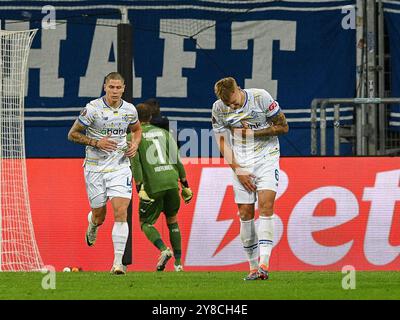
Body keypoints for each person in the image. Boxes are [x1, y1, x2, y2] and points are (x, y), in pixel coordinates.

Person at [211, 77, 289, 280]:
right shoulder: (218, 109)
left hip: (267, 158)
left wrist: (254, 134)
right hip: (242, 163)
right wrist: (238, 170)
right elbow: (222, 142)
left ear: (239, 88)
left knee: (266, 206)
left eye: (234, 102)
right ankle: (253, 267)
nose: (233, 106)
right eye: (228, 104)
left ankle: (264, 264)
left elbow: (283, 127)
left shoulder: (260, 97)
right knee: (245, 213)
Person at [67, 72, 142, 275]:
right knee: (100, 215)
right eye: (111, 87)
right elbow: (72, 134)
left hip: (120, 166)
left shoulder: (129, 110)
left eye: (119, 88)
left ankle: (118, 264)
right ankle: (93, 223)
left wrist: (134, 144)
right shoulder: (92, 109)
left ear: (124, 88)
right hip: (95, 167)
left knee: (121, 213)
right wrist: (95, 142)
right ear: (105, 87)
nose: (115, 91)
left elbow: (136, 129)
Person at [127, 103, 193, 272]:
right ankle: (178, 264)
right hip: (171, 181)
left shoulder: (132, 137)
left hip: (153, 184)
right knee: (172, 220)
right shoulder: (164, 133)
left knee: (145, 223)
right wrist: (185, 184)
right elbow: (177, 160)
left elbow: (136, 164)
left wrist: (139, 186)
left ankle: (164, 250)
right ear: (150, 117)